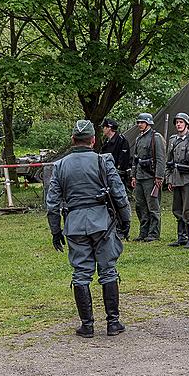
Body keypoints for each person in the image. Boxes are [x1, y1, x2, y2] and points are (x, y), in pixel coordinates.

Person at [46, 120, 131, 338]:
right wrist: (126, 220)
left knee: (81, 274)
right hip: (102, 223)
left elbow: (52, 204)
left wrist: (56, 231)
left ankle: (87, 325)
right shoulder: (104, 161)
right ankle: (113, 323)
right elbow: (120, 194)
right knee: (108, 270)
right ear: (93, 140)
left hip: (74, 224)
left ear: (73, 140)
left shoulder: (60, 166)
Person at [165, 112, 189, 249]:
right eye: (177, 122)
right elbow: (169, 161)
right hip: (176, 179)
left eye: (181, 122)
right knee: (177, 209)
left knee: (188, 210)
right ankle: (181, 237)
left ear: (187, 124)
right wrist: (169, 179)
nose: (178, 125)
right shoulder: (173, 140)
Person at [131, 112, 165, 242]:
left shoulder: (155, 137)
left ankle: (154, 233)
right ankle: (143, 232)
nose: (140, 124)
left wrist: (159, 177)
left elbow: (161, 158)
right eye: (138, 122)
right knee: (140, 206)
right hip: (140, 176)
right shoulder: (139, 138)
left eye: (142, 122)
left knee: (153, 206)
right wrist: (133, 176)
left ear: (148, 123)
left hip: (151, 177)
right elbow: (135, 159)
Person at [100, 117, 131, 193]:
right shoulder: (106, 141)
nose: (103, 129)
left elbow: (123, 160)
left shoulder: (121, 140)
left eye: (104, 127)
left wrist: (118, 172)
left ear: (109, 128)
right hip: (107, 174)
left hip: (117, 176)